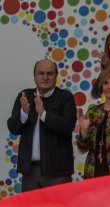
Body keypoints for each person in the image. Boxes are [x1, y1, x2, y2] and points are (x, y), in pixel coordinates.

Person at [7, 59, 77, 192]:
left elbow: (68, 126)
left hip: (58, 171)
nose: (45, 77)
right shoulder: (25, 96)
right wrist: (23, 113)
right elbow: (13, 128)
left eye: (49, 74)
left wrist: (44, 114)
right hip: (30, 170)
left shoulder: (66, 97)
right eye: (41, 73)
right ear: (34, 76)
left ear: (56, 77)